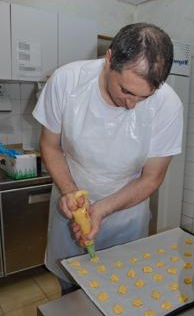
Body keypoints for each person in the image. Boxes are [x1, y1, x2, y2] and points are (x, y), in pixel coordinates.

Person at [33, 23, 183, 291]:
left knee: (120, 291)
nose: (131, 104)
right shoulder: (67, 81)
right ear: (109, 59)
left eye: (143, 97)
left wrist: (101, 209)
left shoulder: (168, 105)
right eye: (126, 90)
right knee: (71, 292)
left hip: (126, 217)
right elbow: (50, 146)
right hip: (71, 208)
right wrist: (71, 193)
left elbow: (152, 178)